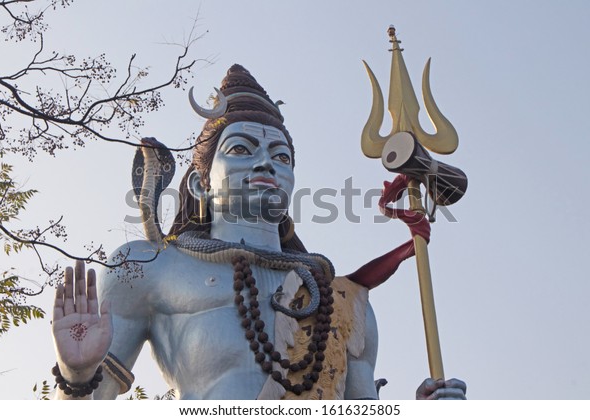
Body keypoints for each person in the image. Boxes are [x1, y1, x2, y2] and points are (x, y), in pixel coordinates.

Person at [51, 64, 466, 400]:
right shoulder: (146, 267)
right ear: (200, 183)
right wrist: (75, 376)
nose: (267, 165)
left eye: (280, 156)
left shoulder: (342, 301)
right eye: (241, 149)